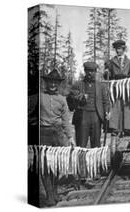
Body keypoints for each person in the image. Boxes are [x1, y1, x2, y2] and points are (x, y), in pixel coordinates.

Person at [40, 69, 74, 206]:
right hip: (43, 133)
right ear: (46, 82)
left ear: (58, 84)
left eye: (55, 82)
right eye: (50, 81)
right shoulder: (40, 97)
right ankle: (49, 195)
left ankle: (55, 192)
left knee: (57, 164)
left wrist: (70, 137)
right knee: (45, 165)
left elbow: (66, 120)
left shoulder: (62, 99)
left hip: (58, 134)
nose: (53, 84)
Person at [67, 62, 110, 148]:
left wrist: (107, 112)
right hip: (82, 116)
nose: (90, 73)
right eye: (88, 71)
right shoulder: (78, 84)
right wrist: (79, 97)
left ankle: (95, 161)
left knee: (96, 146)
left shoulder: (101, 86)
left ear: (95, 72)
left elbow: (106, 101)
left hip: (96, 117)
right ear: (85, 71)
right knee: (81, 145)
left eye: (92, 71)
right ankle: (80, 161)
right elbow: (70, 99)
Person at [107, 40, 130, 140]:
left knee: (127, 109)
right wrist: (106, 72)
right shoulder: (111, 62)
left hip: (127, 89)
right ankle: (115, 129)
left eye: (120, 49)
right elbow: (108, 76)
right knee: (116, 108)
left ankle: (128, 129)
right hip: (116, 89)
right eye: (117, 49)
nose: (118, 51)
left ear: (124, 49)